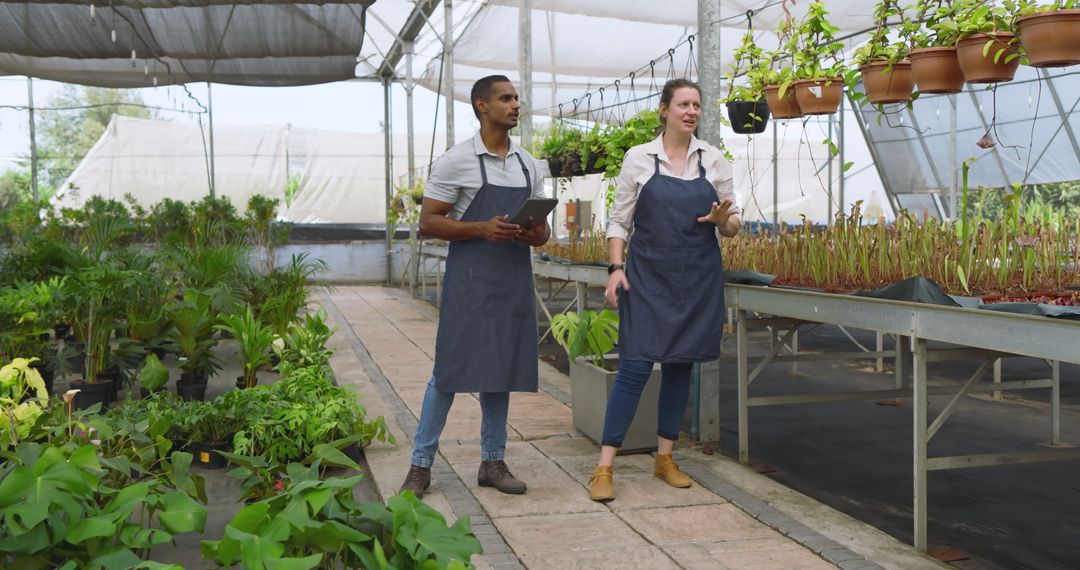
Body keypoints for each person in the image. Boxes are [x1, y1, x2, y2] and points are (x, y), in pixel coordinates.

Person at [587, 78, 742, 502]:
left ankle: (665, 457)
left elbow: (732, 227)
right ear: (664, 109)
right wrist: (616, 268)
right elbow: (619, 221)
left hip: (696, 277)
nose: (691, 112)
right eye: (683, 104)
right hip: (648, 277)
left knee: (680, 365)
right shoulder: (639, 158)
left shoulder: (714, 160)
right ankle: (604, 466)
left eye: (697, 105)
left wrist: (720, 221)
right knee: (634, 368)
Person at [399, 75, 551, 499]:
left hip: (511, 281)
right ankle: (420, 466)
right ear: (482, 106)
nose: (515, 104)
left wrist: (535, 232)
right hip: (470, 283)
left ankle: (492, 462)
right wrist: (480, 228)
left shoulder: (528, 163)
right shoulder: (457, 160)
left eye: (517, 98)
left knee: (499, 372)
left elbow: (543, 235)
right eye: (505, 98)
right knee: (447, 374)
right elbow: (428, 221)